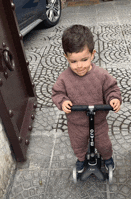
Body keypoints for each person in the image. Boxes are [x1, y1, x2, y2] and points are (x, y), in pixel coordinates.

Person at [52, 24, 122, 173]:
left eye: (84, 59)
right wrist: (63, 101)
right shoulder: (64, 78)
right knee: (78, 145)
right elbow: (57, 93)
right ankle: (81, 159)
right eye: (73, 61)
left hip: (99, 122)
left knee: (104, 144)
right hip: (76, 123)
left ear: (92, 54)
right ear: (66, 57)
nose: (79, 66)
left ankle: (108, 158)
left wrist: (113, 99)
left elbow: (111, 88)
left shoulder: (101, 75)